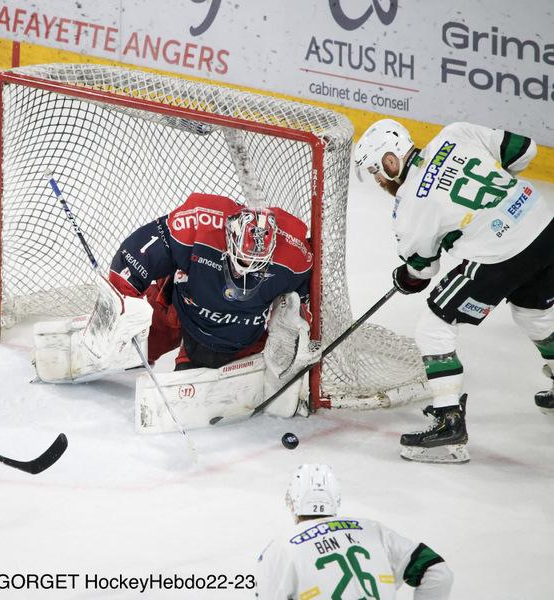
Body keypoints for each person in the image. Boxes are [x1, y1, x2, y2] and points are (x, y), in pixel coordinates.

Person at [353, 119, 554, 463]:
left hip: (499, 254)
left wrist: (406, 277)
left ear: (391, 159)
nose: (377, 179)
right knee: (533, 312)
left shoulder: (409, 206)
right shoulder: (455, 133)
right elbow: (524, 150)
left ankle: (448, 424)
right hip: (543, 223)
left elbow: (422, 270)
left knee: (433, 327)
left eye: (375, 170)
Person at [108, 192, 313, 371]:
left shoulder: (295, 255)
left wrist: (296, 333)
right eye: (243, 258)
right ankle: (125, 348)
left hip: (241, 336)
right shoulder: (202, 222)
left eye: (257, 263)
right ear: (231, 236)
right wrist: (123, 305)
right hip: (186, 307)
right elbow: (139, 253)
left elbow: (303, 302)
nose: (247, 267)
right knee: (147, 325)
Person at [257, 464, 453, 599]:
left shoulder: (280, 549)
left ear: (292, 502)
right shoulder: (373, 530)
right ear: (336, 499)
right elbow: (438, 571)